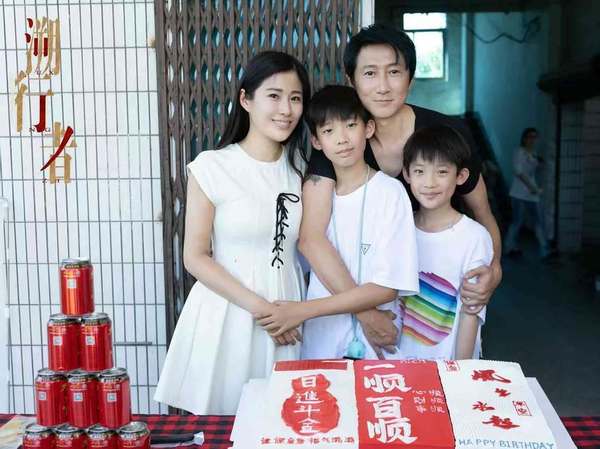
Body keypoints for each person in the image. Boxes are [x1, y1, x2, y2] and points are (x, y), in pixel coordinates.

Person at [299, 24, 502, 358]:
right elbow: (311, 238)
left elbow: (483, 213)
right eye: (370, 73)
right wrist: (368, 315)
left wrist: (495, 269)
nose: (383, 86)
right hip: (382, 302)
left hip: (442, 293)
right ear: (351, 80)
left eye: (394, 72)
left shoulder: (447, 132)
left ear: (410, 77)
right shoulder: (343, 142)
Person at [154, 51, 310, 415]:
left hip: (288, 312)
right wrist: (262, 309)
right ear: (246, 99)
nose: (286, 109)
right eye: (274, 96)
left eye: (295, 98)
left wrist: (287, 313)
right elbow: (194, 257)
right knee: (223, 424)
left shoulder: (301, 170)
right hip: (230, 313)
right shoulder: (213, 166)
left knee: (280, 419)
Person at [256, 85, 418, 359]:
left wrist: (301, 311)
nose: (342, 139)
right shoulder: (312, 197)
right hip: (321, 340)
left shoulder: (390, 192)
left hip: (376, 344)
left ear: (368, 128)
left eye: (351, 126)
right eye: (329, 131)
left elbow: (387, 287)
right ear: (317, 141)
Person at [398, 125, 493, 360]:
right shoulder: (398, 228)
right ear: (407, 174)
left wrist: (459, 372)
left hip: (450, 366)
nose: (429, 183)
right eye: (419, 171)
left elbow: (471, 311)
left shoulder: (475, 237)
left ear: (461, 176)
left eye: (441, 172)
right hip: (398, 364)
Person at [504, 127, 550, 258]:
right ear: (524, 138)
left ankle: (544, 249)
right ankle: (509, 247)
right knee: (517, 221)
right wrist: (532, 187)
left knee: (538, 221)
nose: (532, 140)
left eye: (534, 137)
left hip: (531, 194)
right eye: (529, 137)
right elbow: (519, 172)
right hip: (519, 193)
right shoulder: (519, 152)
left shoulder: (533, 153)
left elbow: (534, 169)